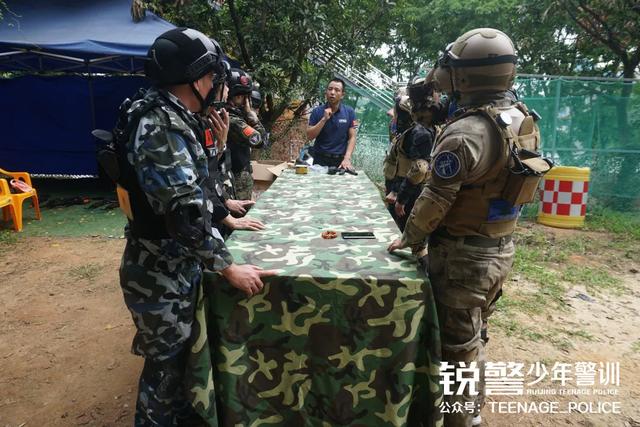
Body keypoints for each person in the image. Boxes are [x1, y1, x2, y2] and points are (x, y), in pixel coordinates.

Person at [117, 27, 276, 426]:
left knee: (183, 365)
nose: (216, 85)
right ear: (195, 79)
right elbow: (185, 215)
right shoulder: (161, 125)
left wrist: (223, 207)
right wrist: (229, 267)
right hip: (160, 274)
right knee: (165, 374)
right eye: (212, 76)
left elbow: (195, 188)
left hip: (172, 265)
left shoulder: (170, 116)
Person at [388, 28, 547, 427]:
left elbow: (435, 199)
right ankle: (472, 411)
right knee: (476, 335)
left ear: (466, 75)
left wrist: (409, 237)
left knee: (456, 353)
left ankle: (461, 420)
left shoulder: (465, 133)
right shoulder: (521, 118)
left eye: (452, 67)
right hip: (498, 249)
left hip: (462, 259)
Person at [382, 85, 436, 232]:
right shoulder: (410, 131)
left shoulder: (419, 133)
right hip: (403, 189)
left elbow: (417, 168)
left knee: (401, 230)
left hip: (407, 192)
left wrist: (398, 194)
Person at [225, 68, 268, 201]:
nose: (247, 101)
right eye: (245, 97)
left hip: (237, 178)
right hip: (237, 181)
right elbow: (261, 141)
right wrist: (252, 117)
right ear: (238, 96)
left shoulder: (232, 116)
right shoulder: (233, 120)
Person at [306, 78, 357, 169]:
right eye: (330, 89)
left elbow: (352, 137)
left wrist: (347, 158)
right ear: (326, 92)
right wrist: (324, 119)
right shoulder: (317, 111)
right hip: (319, 160)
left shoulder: (350, 112)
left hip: (340, 161)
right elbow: (309, 136)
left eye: (337, 90)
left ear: (342, 95)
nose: (332, 92)